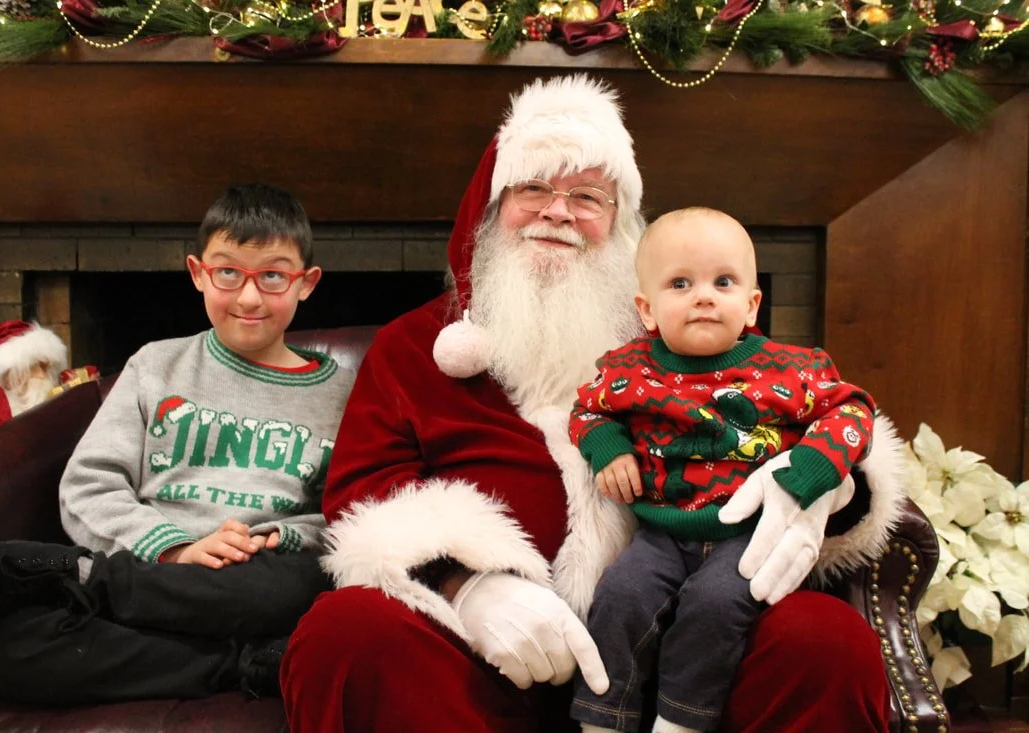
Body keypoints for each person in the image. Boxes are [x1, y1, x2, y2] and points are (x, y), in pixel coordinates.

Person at [282, 75, 904, 732]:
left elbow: (815, 408)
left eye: (587, 196)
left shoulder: (678, 330)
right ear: (490, 210)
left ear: (620, 225)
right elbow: (363, 498)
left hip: (678, 650)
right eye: (534, 188)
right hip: (474, 664)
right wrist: (466, 586)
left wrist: (826, 487)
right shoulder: (413, 347)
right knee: (344, 631)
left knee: (826, 641)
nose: (558, 211)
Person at [0, 182, 354, 705]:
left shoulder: (345, 394)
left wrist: (275, 539)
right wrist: (176, 549)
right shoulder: (155, 366)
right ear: (198, 273)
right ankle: (245, 660)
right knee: (5, 650)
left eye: (272, 275)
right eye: (228, 272)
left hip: (253, 577)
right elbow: (89, 485)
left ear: (305, 283)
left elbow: (349, 510)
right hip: (152, 564)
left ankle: (76, 577)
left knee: (302, 584)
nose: (249, 296)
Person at [568, 207, 877, 733]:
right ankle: (603, 718)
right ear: (648, 309)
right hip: (661, 532)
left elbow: (852, 410)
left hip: (747, 534)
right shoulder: (630, 369)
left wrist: (811, 469)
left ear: (752, 304)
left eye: (724, 281)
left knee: (713, 607)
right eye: (681, 283)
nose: (704, 296)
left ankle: (680, 721)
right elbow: (587, 409)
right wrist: (608, 447)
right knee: (620, 596)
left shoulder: (790, 369)